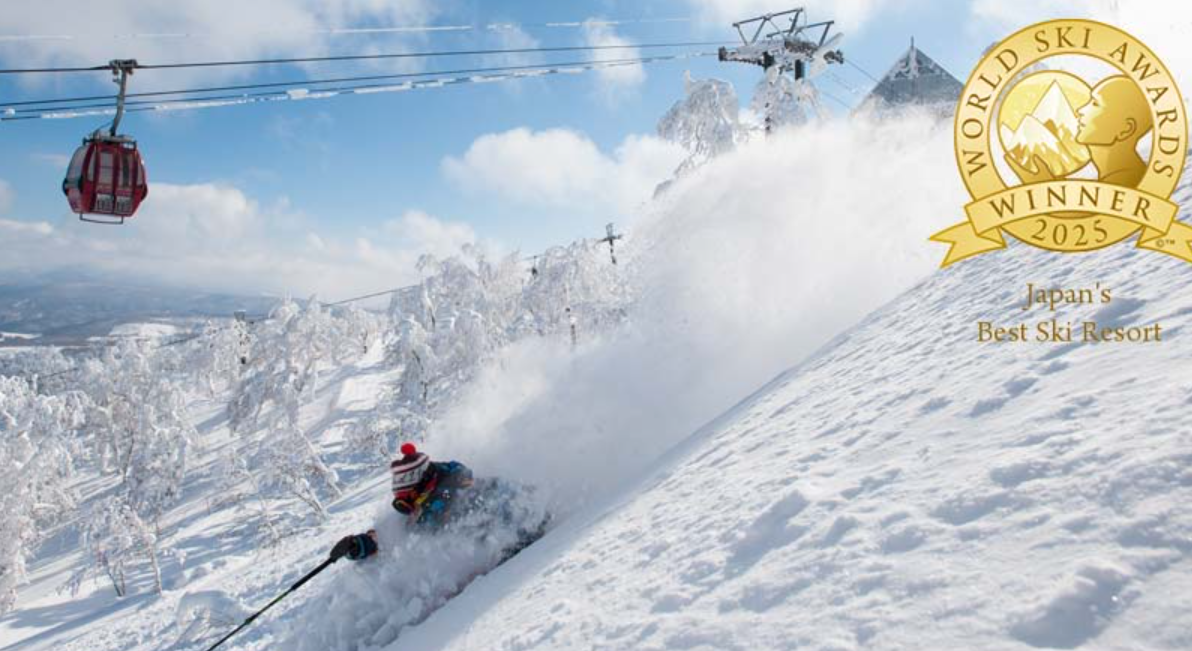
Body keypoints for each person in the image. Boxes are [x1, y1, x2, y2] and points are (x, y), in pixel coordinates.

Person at [329, 443, 474, 562]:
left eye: (411, 495)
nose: (410, 504)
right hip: (444, 565)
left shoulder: (452, 484)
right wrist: (356, 546)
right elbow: (387, 537)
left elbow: (467, 479)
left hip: (473, 551)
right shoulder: (415, 514)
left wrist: (460, 480)